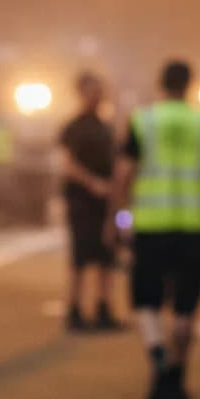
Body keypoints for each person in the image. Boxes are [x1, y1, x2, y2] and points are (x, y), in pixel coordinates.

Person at [111, 59, 200, 399]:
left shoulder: (143, 121)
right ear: (190, 85)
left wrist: (119, 217)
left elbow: (123, 174)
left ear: (160, 83)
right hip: (194, 225)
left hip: (151, 225)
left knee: (145, 299)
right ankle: (178, 373)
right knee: (186, 306)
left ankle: (157, 351)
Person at [56, 72, 121, 332]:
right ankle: (74, 310)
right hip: (81, 202)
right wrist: (93, 183)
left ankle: (104, 308)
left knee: (107, 256)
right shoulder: (74, 127)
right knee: (80, 258)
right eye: (92, 91)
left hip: (105, 204)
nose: (97, 96)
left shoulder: (107, 127)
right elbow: (67, 164)